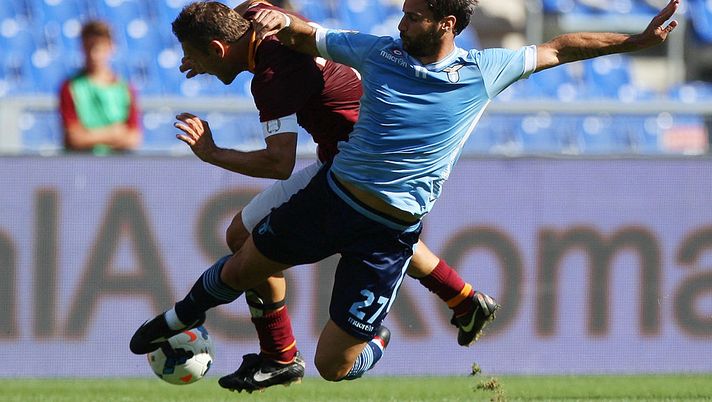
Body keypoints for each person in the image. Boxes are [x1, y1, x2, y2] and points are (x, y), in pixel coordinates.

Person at [131, 0, 679, 390]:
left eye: (414, 14)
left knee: (335, 365)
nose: (401, 20)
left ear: (446, 23)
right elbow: (311, 35)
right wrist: (278, 19)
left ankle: (386, 332)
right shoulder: (379, 52)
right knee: (244, 254)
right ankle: (200, 326)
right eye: (403, 10)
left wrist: (635, 40)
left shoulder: (485, 71)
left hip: (387, 224)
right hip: (335, 187)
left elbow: (560, 46)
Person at [133, 0, 498, 392]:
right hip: (352, 161)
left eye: (196, 58)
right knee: (258, 237)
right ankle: (462, 300)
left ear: (219, 49)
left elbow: (278, 163)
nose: (194, 68)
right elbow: (245, 10)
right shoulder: (259, 14)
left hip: (356, 166)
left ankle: (283, 355)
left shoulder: (274, 73)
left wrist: (213, 153)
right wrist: (205, 34)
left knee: (258, 239)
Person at [59, 20, 142, 154]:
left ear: (111, 47)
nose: (93, 54)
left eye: (98, 47)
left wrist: (90, 136)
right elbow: (74, 138)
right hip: (82, 168)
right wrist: (113, 133)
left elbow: (133, 138)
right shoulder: (70, 86)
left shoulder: (125, 88)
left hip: (117, 168)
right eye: (89, 47)